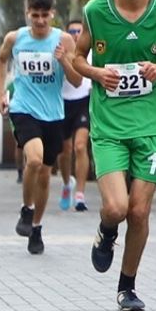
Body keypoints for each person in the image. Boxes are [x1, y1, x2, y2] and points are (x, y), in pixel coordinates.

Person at [71, 0, 156, 311]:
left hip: (151, 126)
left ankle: (127, 285)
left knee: (139, 211)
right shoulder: (95, 10)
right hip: (108, 126)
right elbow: (76, 58)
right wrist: (95, 72)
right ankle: (106, 232)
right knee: (117, 208)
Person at [0, 0, 83, 255]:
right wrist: (1, 93)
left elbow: (77, 80)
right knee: (33, 159)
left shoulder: (63, 39)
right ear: (28, 14)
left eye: (45, 15)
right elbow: (0, 61)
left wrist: (64, 60)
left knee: (45, 175)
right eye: (36, 15)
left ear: (53, 15)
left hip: (53, 113)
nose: (41, 20)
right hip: (24, 109)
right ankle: (26, 208)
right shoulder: (15, 38)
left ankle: (36, 226)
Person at [59, 18, 94, 213]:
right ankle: (67, 184)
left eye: (79, 31)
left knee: (80, 146)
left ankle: (80, 194)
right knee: (65, 152)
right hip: (61, 103)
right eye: (72, 31)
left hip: (83, 102)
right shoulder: (58, 52)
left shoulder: (91, 55)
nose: (76, 35)